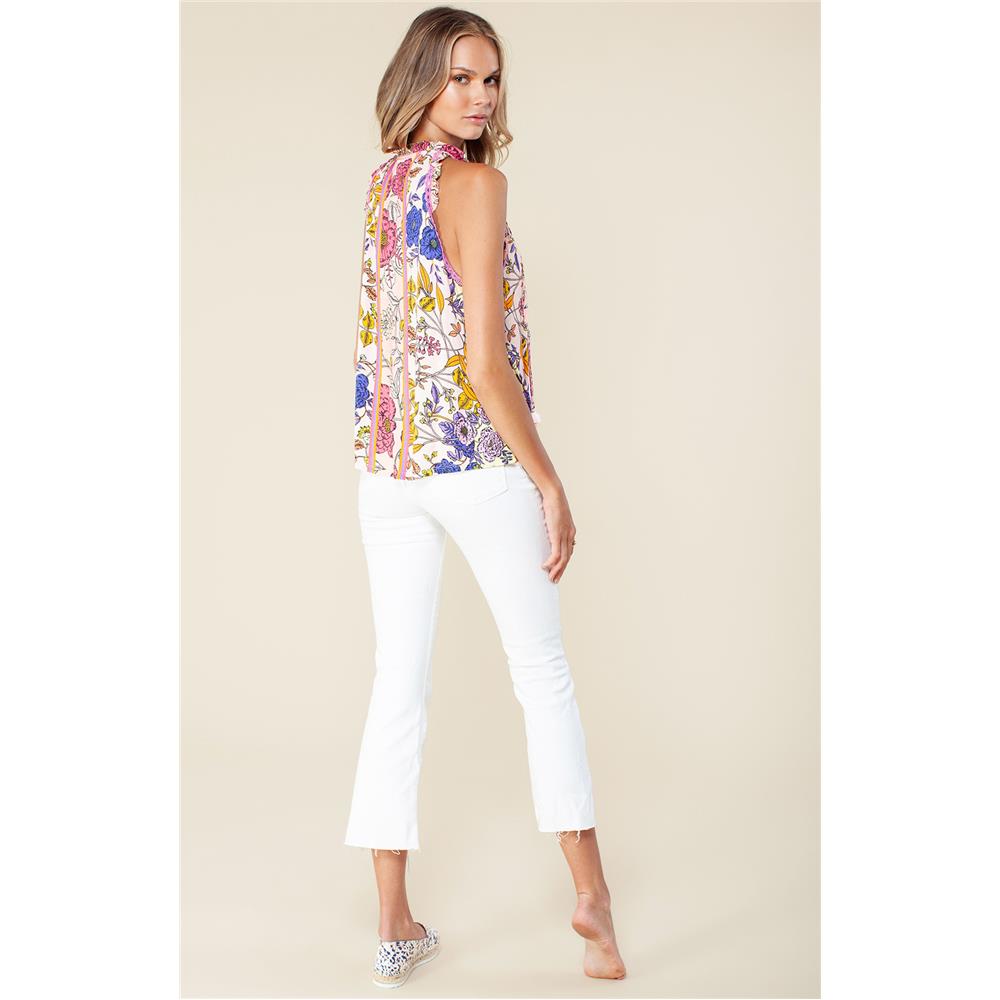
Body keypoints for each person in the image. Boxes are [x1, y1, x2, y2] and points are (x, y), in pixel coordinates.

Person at [345, 6, 626, 988]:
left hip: (386, 470)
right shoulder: (478, 185)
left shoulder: (385, 184)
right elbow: (482, 362)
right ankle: (592, 902)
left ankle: (393, 922)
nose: (478, 96)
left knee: (397, 683)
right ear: (421, 78)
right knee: (541, 671)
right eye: (460, 77)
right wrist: (549, 480)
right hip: (470, 461)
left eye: (491, 79)